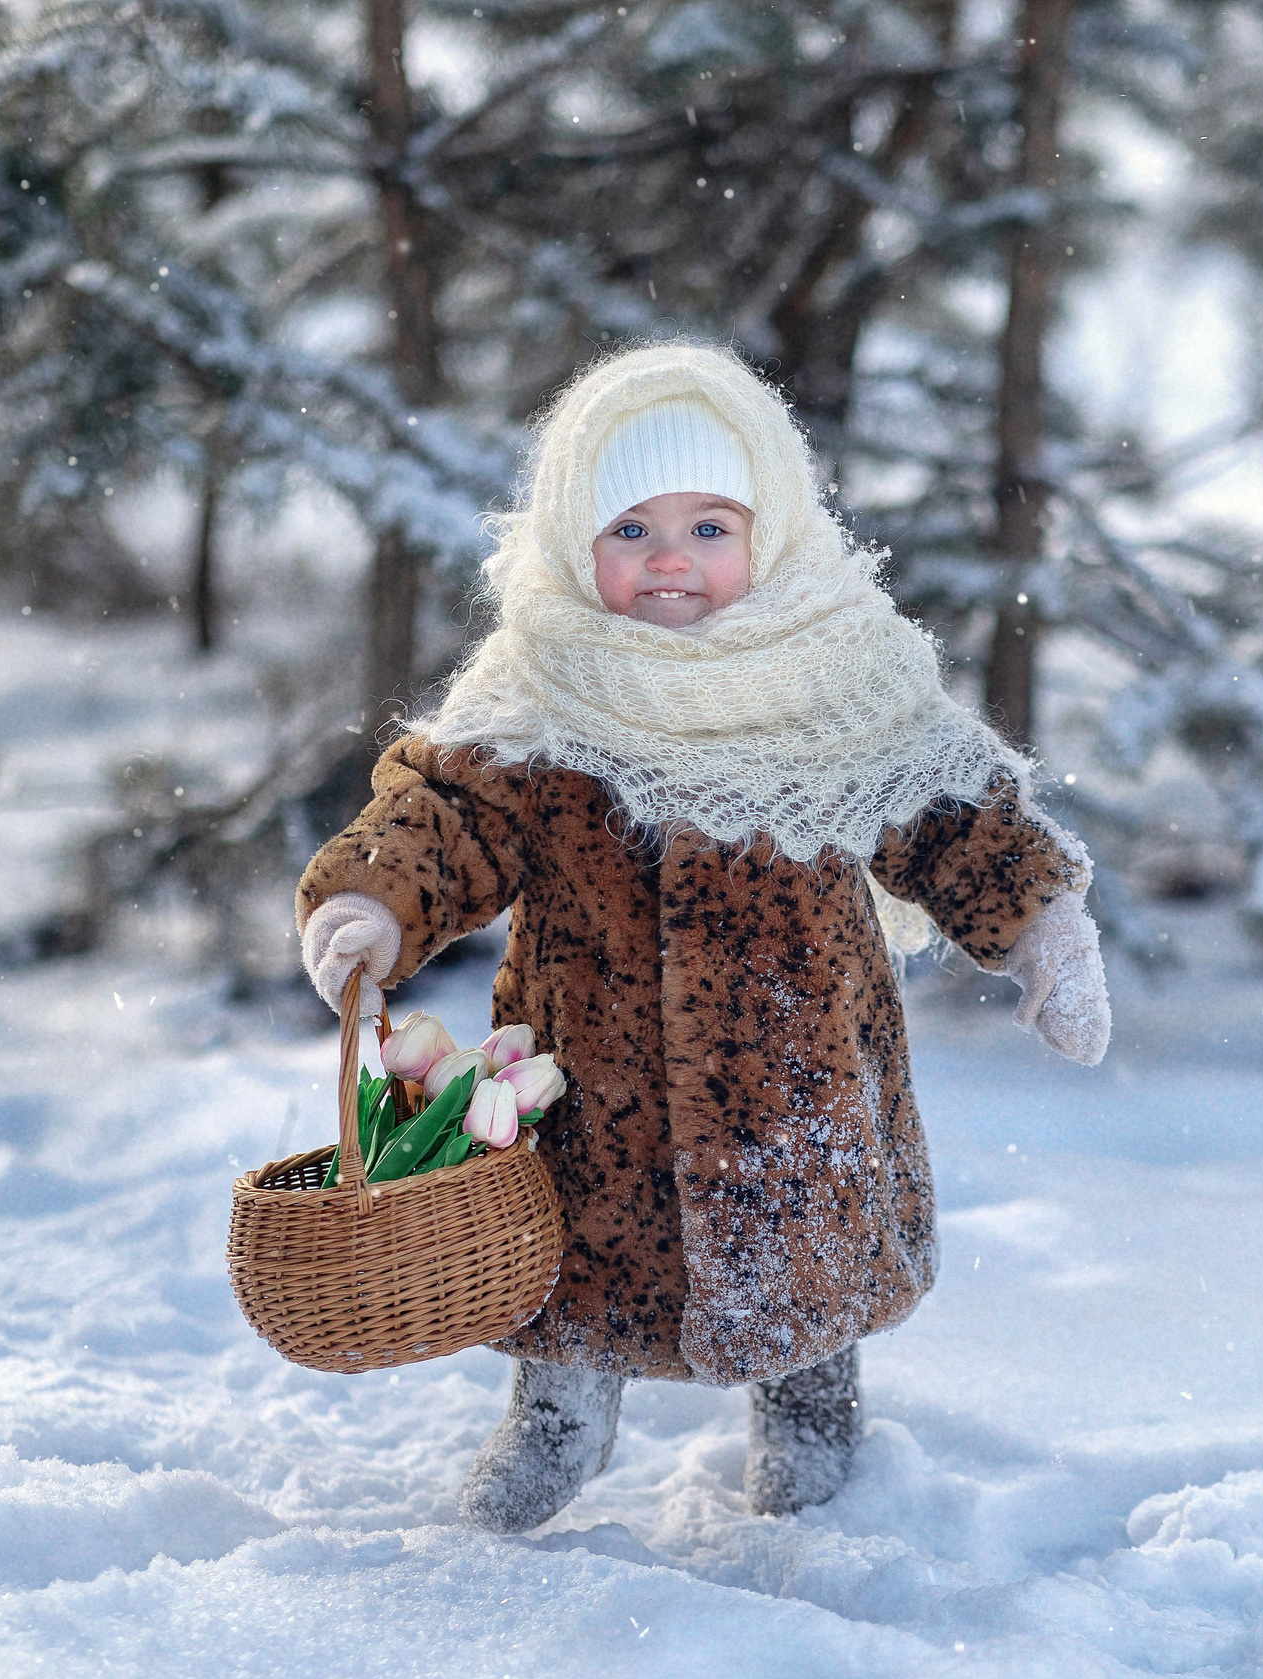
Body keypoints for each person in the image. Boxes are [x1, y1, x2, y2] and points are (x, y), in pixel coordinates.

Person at [294, 341, 1110, 1533]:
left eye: (708, 528)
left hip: (801, 1090)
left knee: (804, 1293)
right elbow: (445, 817)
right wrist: (371, 902)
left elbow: (952, 822)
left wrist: (1045, 928)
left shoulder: (844, 686)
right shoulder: (535, 693)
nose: (669, 558)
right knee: (569, 1281)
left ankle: (815, 1465)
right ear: (575, 544)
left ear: (770, 530)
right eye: (628, 531)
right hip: (587, 1094)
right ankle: (556, 1431)